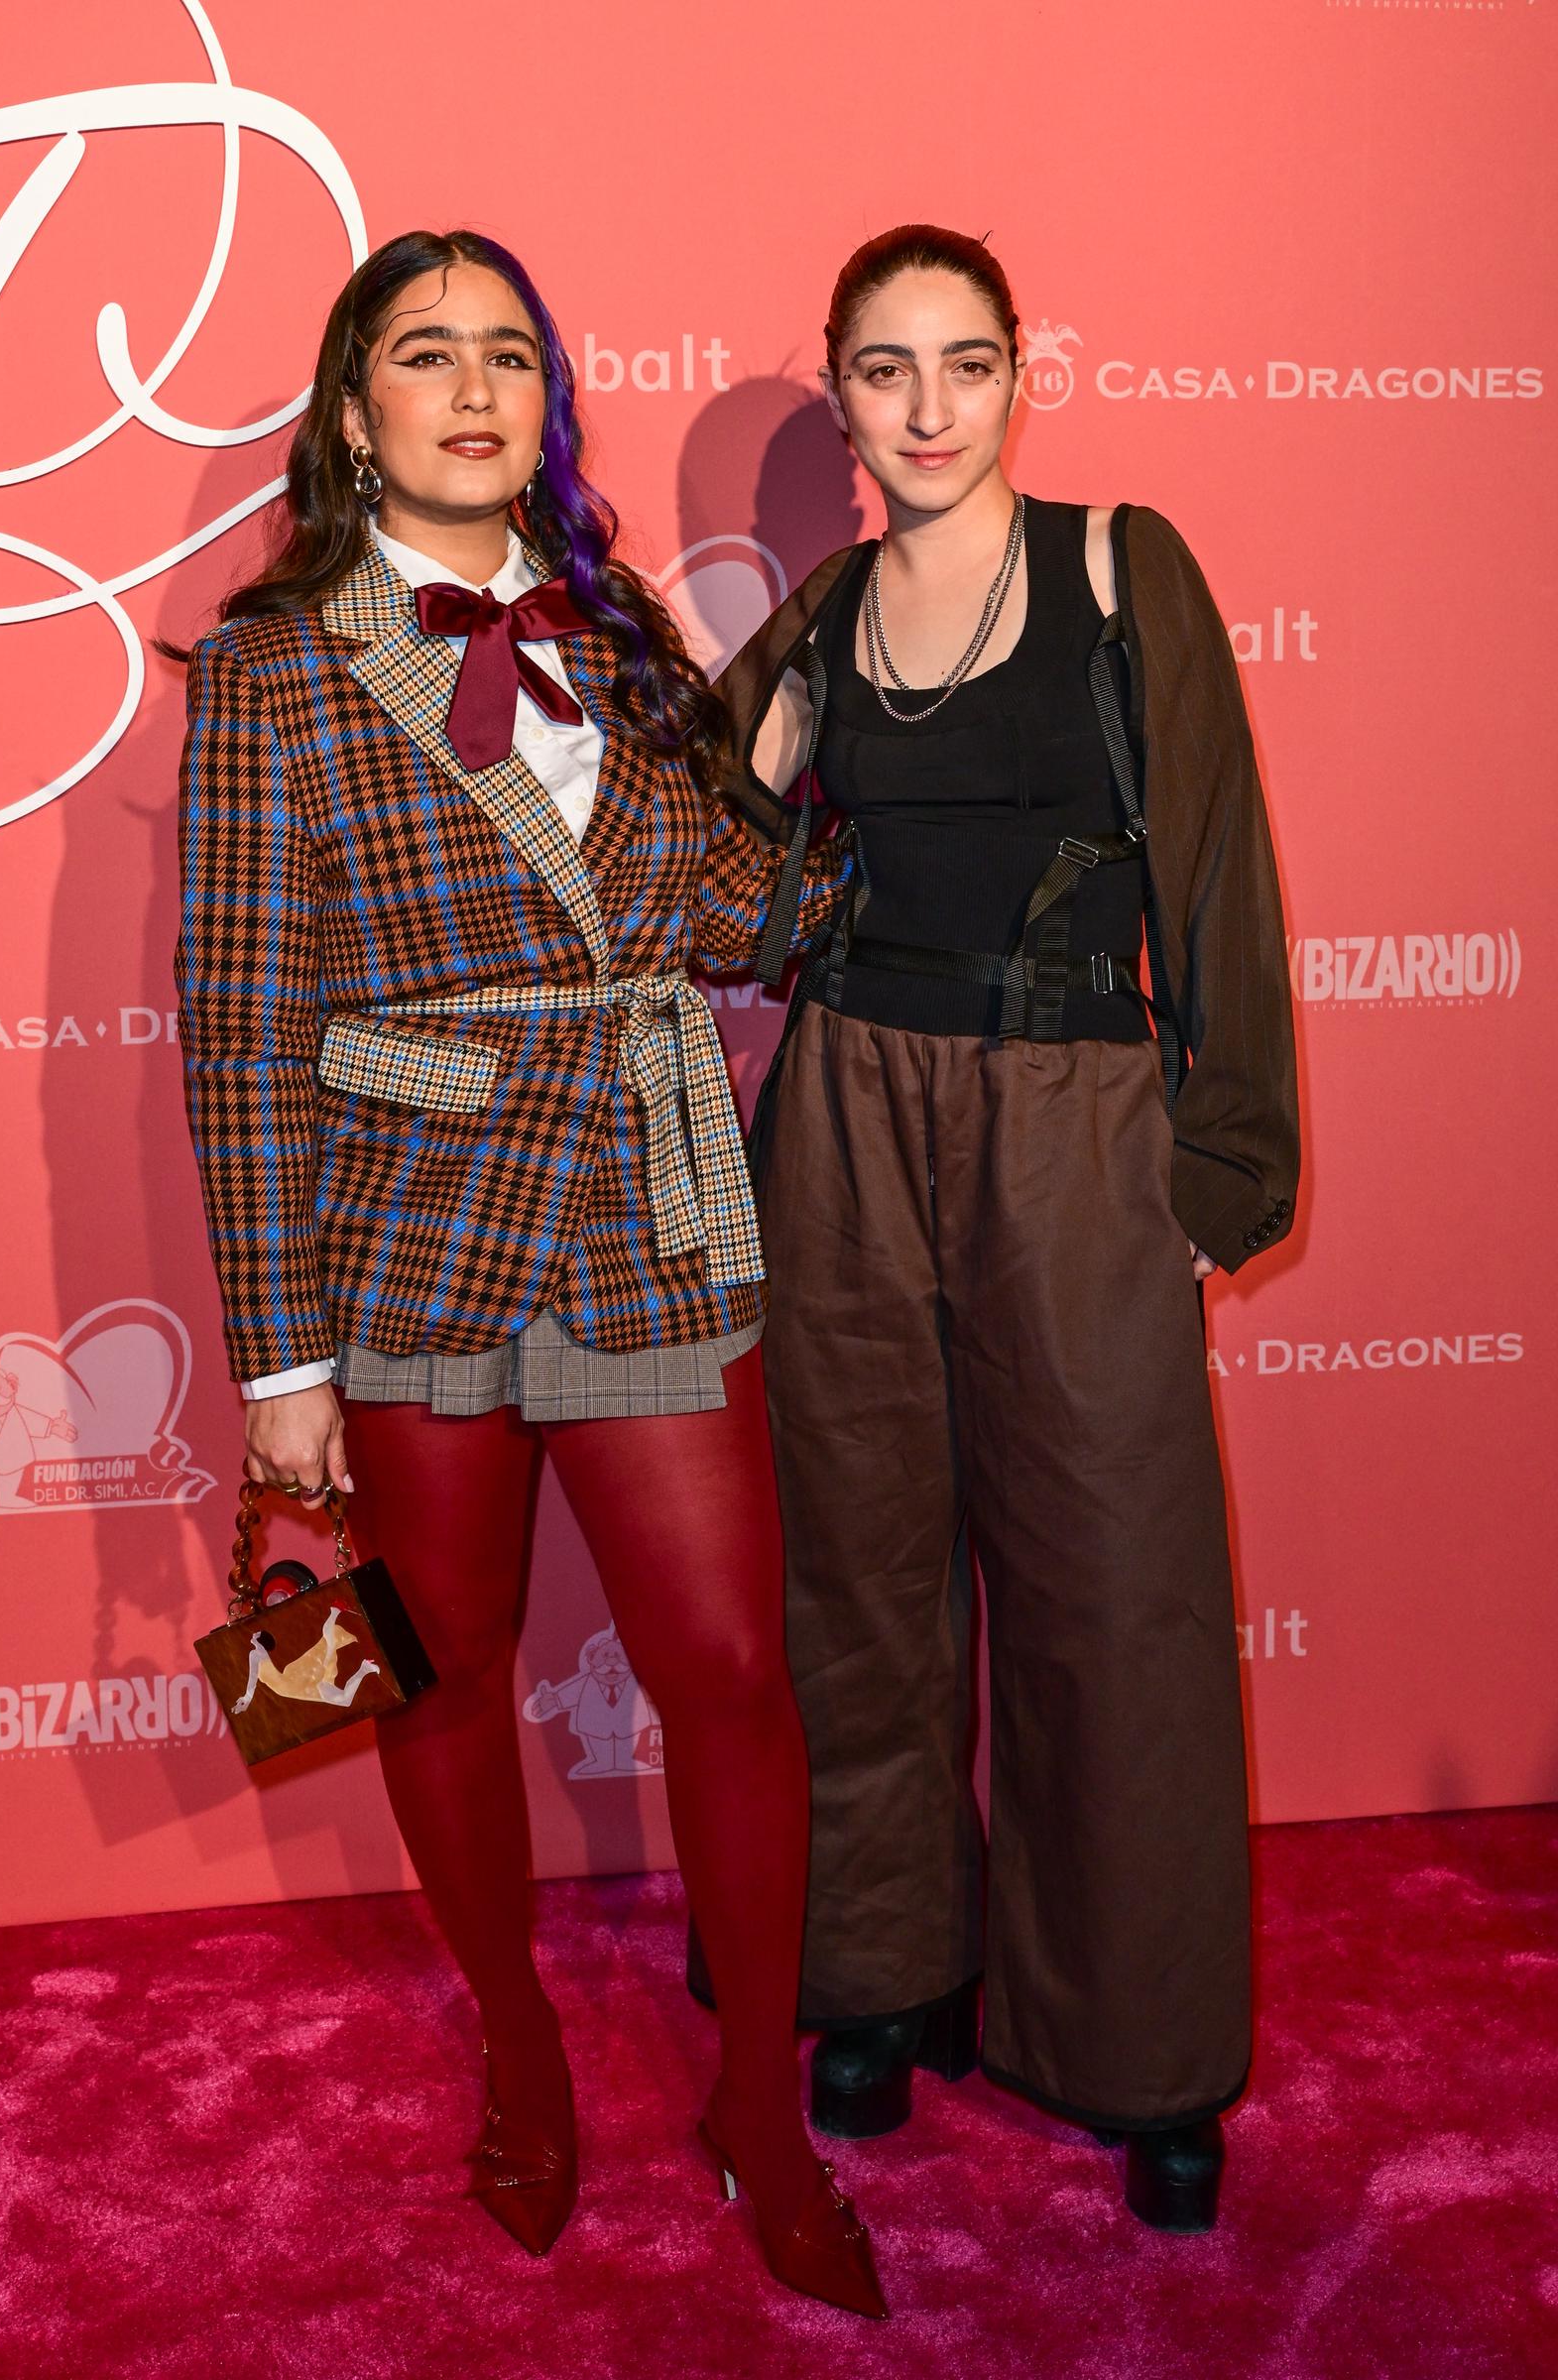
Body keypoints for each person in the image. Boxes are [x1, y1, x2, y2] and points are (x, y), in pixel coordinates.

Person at [174, 229, 883, 2317]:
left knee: (734, 1682)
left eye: (509, 356)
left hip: (650, 1206)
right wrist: (277, 1362)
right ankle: (519, 2046)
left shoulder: (616, 628)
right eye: (427, 355)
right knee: (438, 1667)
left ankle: (755, 2101)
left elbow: (731, 923)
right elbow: (237, 1026)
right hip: (409, 1230)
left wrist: (849, 761)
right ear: (354, 408)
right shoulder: (275, 667)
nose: (474, 390)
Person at [701, 224, 1299, 2234]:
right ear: (843, 393)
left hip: (1069, 1125)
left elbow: (1213, 870)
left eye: (964, 364)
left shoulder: (1126, 570)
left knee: (1109, 1597)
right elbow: (695, 857)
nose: (929, 408)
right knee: (856, 1583)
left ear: (1020, 373)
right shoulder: (820, 615)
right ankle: (877, 1977)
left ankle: (1137, 2049)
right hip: (848, 1119)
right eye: (885, 372)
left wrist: (1222, 1166)